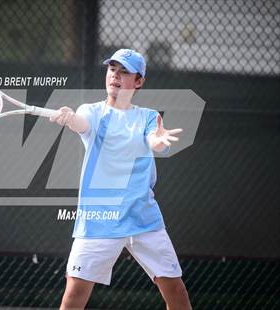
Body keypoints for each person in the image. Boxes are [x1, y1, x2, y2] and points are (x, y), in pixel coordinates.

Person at [50, 49, 192, 310]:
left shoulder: (148, 117)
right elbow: (82, 124)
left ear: (138, 81)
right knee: (73, 295)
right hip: (99, 221)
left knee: (175, 290)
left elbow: (155, 139)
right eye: (112, 68)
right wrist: (70, 119)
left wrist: (157, 142)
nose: (115, 74)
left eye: (124, 70)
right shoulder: (91, 111)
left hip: (142, 218)